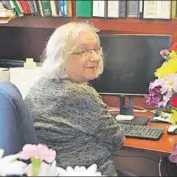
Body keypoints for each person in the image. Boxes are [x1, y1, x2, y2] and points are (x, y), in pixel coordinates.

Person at [24, 22, 125, 176]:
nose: (96, 57)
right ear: (62, 56)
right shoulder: (78, 93)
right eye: (84, 51)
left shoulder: (40, 83)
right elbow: (117, 140)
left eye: (96, 49)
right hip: (88, 171)